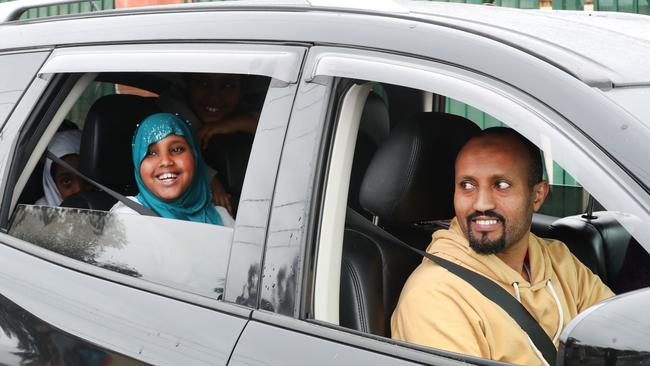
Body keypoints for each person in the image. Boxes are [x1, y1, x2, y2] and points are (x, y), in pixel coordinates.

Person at [391, 127, 614, 365]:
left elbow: (618, 334)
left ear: (537, 195)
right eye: (467, 185)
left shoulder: (558, 259)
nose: (482, 203)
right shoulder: (435, 296)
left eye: (501, 185)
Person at [110, 112, 235, 227]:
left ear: (195, 156)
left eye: (177, 149)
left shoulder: (221, 217)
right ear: (138, 163)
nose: (165, 161)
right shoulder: (128, 217)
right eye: (151, 153)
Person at [35, 129, 85, 206]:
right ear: (53, 184)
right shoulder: (38, 214)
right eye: (66, 181)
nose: (79, 189)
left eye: (85, 178)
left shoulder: (108, 205)